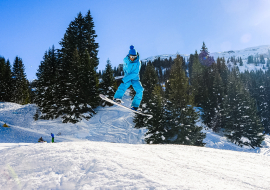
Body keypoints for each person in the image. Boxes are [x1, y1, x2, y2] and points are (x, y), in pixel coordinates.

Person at [113, 45, 144, 111]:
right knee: (123, 86)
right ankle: (117, 98)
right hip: (127, 77)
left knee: (140, 90)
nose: (132, 58)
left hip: (135, 78)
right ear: (129, 55)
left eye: (134, 57)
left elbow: (135, 73)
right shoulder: (125, 60)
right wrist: (125, 77)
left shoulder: (138, 62)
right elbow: (125, 69)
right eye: (131, 56)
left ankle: (135, 106)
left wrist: (125, 79)